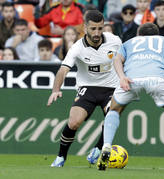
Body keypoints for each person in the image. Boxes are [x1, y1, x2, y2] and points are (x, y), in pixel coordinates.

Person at [96, 22, 164, 172]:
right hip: (158, 79)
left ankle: (106, 146)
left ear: (138, 35)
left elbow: (116, 59)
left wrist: (122, 77)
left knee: (114, 110)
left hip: (131, 78)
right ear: (157, 34)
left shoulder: (129, 42)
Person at [47, 10, 122, 167]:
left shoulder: (114, 41)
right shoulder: (77, 48)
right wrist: (56, 89)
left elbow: (124, 58)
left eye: (100, 28)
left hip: (111, 88)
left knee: (111, 117)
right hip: (87, 88)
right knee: (74, 122)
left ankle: (98, 148)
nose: (97, 33)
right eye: (93, 28)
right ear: (85, 27)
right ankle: (61, 157)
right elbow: (63, 70)